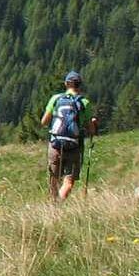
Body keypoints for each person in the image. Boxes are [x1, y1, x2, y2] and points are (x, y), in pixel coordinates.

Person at [41, 71, 98, 202]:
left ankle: (52, 206)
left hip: (55, 144)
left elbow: (43, 121)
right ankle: (59, 202)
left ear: (66, 84)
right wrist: (93, 123)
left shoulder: (56, 99)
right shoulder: (84, 102)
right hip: (74, 146)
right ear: (79, 85)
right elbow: (91, 129)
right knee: (69, 181)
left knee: (54, 179)